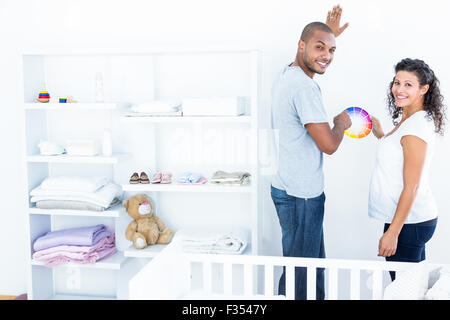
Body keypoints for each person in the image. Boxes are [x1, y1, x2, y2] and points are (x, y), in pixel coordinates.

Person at [270, 5, 351, 300]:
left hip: (292, 189)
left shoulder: (287, 74)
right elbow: (328, 145)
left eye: (331, 50)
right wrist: (341, 123)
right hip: (301, 196)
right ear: (301, 45)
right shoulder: (304, 88)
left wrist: (328, 35)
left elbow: (313, 54)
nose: (326, 56)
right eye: (319, 47)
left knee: (309, 269)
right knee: (300, 277)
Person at [369, 58, 446, 281]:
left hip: (408, 223)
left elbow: (412, 186)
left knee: (403, 290)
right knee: (414, 287)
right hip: (407, 218)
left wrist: (392, 233)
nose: (399, 90)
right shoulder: (410, 120)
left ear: (424, 89)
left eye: (408, 85)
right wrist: (382, 134)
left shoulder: (415, 127)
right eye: (397, 82)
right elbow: (399, 158)